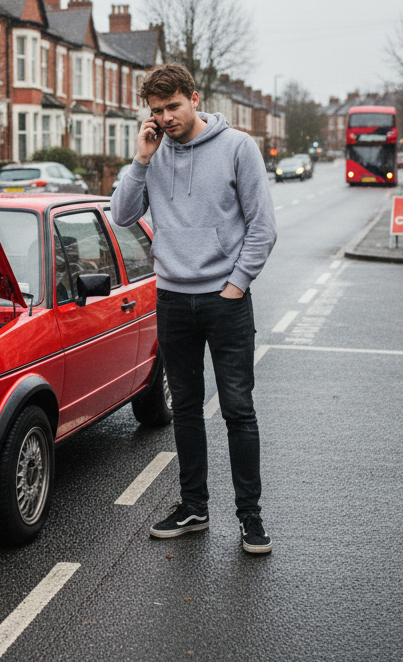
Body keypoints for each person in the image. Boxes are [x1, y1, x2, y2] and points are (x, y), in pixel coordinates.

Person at [111, 63, 277, 553]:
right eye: (157, 111)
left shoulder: (238, 147)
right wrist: (141, 160)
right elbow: (122, 215)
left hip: (225, 301)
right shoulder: (154, 152)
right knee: (184, 409)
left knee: (237, 409)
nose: (166, 119)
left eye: (173, 107)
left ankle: (250, 517)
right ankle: (194, 507)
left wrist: (236, 285)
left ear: (194, 98)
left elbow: (262, 227)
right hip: (172, 299)